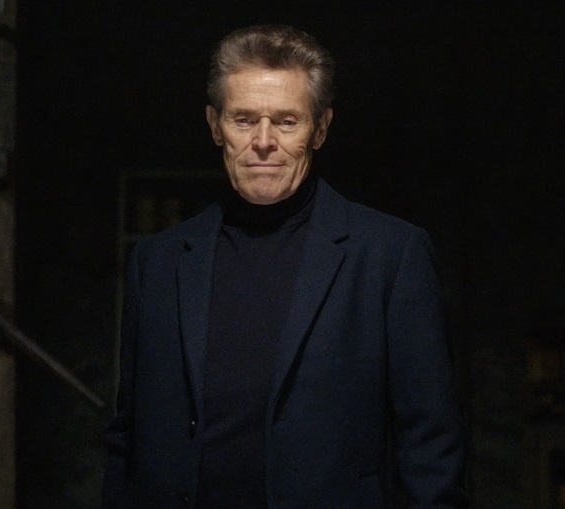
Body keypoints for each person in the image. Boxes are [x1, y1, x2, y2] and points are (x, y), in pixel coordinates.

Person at [102, 24, 469, 509]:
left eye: (287, 121)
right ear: (215, 125)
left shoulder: (389, 256)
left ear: (321, 128)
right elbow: (129, 437)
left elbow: (432, 443)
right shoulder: (158, 263)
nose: (263, 141)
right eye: (243, 120)